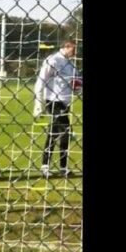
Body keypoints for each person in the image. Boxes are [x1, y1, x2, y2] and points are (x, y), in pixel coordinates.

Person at [34, 40, 80, 178]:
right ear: (66, 47)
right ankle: (61, 167)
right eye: (73, 49)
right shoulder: (53, 60)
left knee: (53, 133)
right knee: (65, 131)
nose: (75, 53)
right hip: (53, 101)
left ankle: (48, 166)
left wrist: (77, 86)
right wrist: (38, 104)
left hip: (65, 103)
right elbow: (41, 80)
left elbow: (76, 83)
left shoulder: (71, 64)